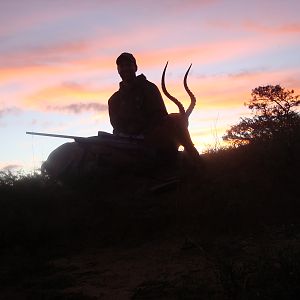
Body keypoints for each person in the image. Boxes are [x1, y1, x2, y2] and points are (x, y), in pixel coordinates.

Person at [108, 52, 168, 139]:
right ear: (118, 70)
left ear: (135, 67)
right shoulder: (113, 100)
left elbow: (161, 117)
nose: (125, 68)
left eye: (128, 65)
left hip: (149, 142)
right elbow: (116, 126)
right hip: (122, 143)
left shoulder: (150, 88)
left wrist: (144, 133)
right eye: (121, 66)